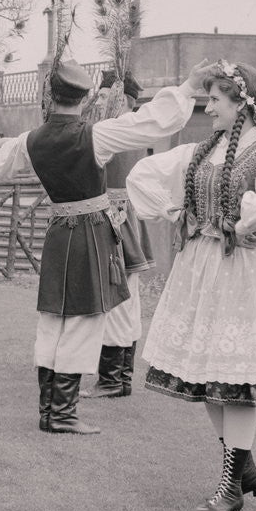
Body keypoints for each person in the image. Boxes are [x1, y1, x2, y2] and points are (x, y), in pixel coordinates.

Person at [0, 57, 211, 435]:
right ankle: (61, 414)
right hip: (90, 233)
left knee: (53, 318)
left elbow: (4, 166)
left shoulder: (29, 141)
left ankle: (50, 410)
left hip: (57, 231)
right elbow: (150, 123)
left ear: (50, 96)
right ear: (84, 99)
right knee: (83, 319)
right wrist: (188, 87)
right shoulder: (94, 135)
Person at [126, 61, 256, 511]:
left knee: (236, 380)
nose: (208, 108)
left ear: (240, 102)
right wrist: (172, 210)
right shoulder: (202, 151)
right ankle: (242, 469)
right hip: (201, 270)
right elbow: (141, 176)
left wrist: (246, 222)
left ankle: (231, 486)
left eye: (216, 100)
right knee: (209, 379)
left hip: (241, 273)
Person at [81, 70, 157, 400]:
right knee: (127, 301)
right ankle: (121, 378)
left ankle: (112, 379)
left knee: (116, 301)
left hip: (114, 220)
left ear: (121, 99)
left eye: (103, 96)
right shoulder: (132, 129)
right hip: (126, 219)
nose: (98, 102)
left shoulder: (117, 131)